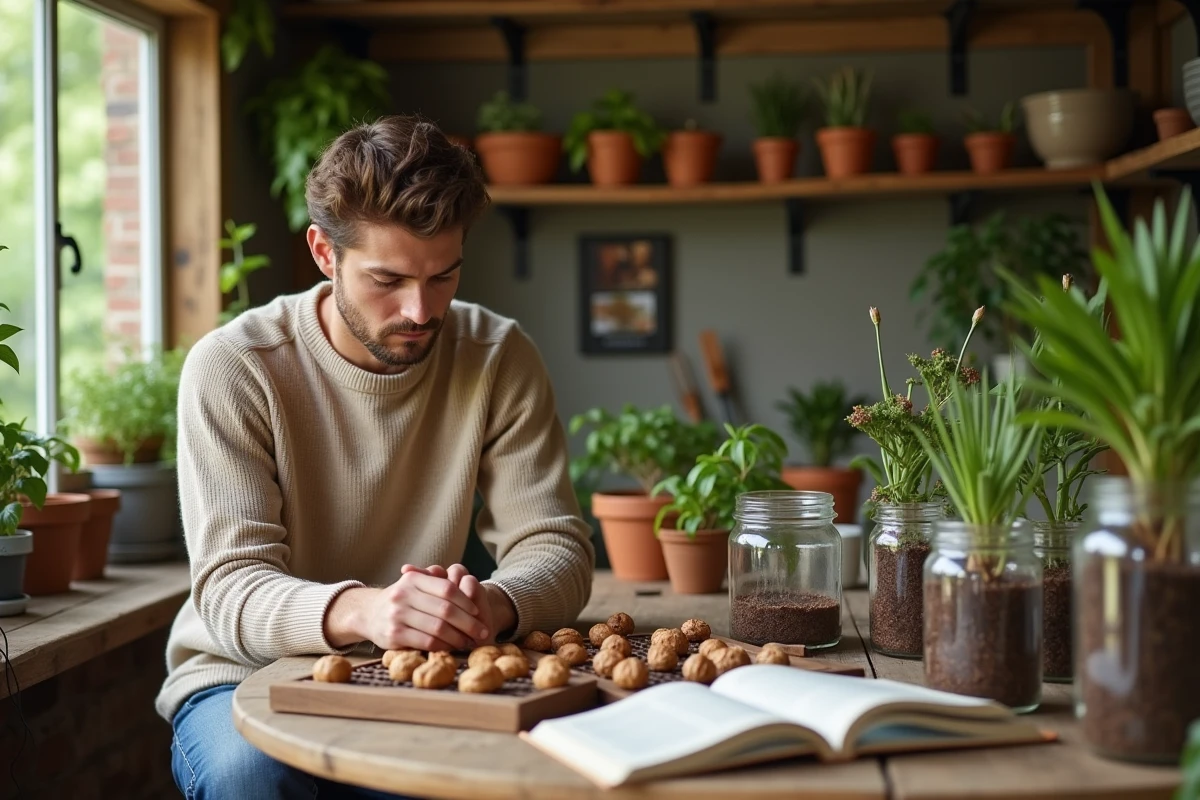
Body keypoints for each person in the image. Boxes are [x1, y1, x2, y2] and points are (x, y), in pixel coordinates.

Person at [158, 114, 596, 799]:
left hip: (428, 673)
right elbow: (230, 590)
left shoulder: (496, 356)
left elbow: (557, 546)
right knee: (252, 779)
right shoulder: (236, 367)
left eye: (442, 277)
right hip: (240, 673)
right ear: (324, 254)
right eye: (387, 280)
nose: (420, 311)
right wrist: (364, 612)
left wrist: (496, 606)